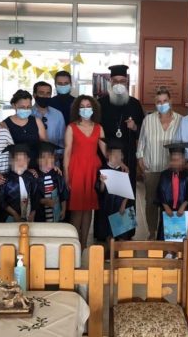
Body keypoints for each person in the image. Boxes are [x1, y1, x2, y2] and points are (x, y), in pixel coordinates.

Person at [137, 87, 182, 239]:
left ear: (170, 101)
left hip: (172, 170)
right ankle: (152, 232)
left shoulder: (180, 120)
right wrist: (140, 160)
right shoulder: (148, 120)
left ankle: (167, 233)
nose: (162, 104)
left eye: (165, 101)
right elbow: (141, 143)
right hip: (152, 168)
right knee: (151, 202)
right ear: (155, 103)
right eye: (159, 102)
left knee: (170, 202)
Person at [64, 95, 106, 248]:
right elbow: (67, 153)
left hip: (92, 170)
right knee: (76, 209)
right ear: (77, 109)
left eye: (88, 106)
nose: (85, 109)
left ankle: (83, 244)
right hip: (76, 169)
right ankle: (74, 244)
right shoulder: (71, 127)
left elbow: (106, 152)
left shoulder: (99, 128)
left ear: (93, 108)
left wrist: (119, 163)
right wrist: (66, 176)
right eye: (82, 106)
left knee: (88, 209)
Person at [98, 65, 144, 193]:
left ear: (126, 82)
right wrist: (107, 155)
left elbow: (143, 132)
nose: (119, 84)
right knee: (107, 193)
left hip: (128, 154)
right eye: (115, 81)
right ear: (110, 82)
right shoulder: (100, 103)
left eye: (122, 81)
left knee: (127, 193)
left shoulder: (135, 104)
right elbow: (96, 132)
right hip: (107, 155)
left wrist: (135, 127)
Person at [95, 138, 134, 243]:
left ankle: (121, 249)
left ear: (122, 156)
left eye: (119, 154)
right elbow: (101, 191)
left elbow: (128, 191)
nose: (116, 157)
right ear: (108, 155)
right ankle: (110, 250)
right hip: (107, 204)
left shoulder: (124, 170)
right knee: (108, 234)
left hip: (122, 204)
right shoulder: (102, 169)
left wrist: (123, 205)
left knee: (122, 235)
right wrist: (102, 182)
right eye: (114, 154)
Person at [154, 143, 188, 241]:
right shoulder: (164, 175)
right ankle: (167, 249)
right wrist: (166, 207)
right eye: (173, 160)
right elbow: (160, 192)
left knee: (183, 236)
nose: (175, 162)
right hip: (168, 211)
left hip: (184, 210)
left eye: (178, 160)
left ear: (184, 160)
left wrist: (183, 206)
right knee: (167, 235)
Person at [0, 144, 40, 222]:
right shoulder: (4, 179)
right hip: (10, 217)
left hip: (29, 216)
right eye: (17, 159)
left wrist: (33, 213)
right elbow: (1, 201)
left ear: (28, 160)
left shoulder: (31, 178)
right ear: (11, 161)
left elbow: (35, 197)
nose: (20, 162)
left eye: (24, 159)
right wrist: (15, 214)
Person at [3, 90, 47, 166]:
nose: (26, 110)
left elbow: (45, 146)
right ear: (14, 105)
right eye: (22, 107)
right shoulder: (5, 124)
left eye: (28, 107)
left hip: (36, 165)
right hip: (17, 167)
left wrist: (49, 163)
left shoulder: (37, 121)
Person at [35, 141, 68, 222]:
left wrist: (63, 209)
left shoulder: (57, 176)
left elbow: (63, 194)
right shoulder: (36, 177)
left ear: (54, 159)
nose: (47, 160)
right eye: (43, 157)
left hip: (56, 213)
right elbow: (33, 197)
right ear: (38, 160)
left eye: (50, 157)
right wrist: (43, 201)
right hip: (41, 216)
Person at [32, 81, 65, 157]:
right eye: (41, 93)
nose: (45, 96)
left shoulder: (58, 114)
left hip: (53, 158)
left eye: (48, 93)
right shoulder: (28, 114)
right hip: (32, 159)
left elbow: (62, 138)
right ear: (34, 95)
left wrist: (57, 155)